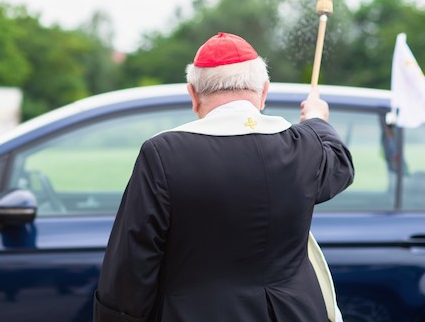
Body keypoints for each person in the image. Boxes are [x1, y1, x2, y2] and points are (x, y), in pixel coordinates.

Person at [93, 32, 354, 322]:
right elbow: (340, 164)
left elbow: (132, 264)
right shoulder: (303, 146)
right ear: (264, 92)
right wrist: (317, 120)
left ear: (193, 94)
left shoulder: (164, 154)